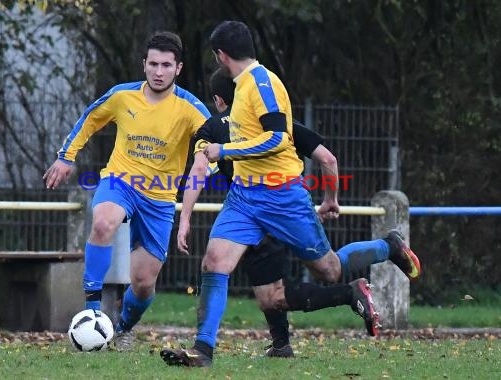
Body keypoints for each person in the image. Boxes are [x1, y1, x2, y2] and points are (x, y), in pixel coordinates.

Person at [160, 21, 420, 367]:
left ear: (221, 55)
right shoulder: (240, 89)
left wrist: (224, 152)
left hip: (283, 197)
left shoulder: (263, 82)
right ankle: (203, 351)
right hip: (243, 197)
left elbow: (278, 139)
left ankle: (389, 245)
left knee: (329, 269)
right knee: (214, 262)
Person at [175, 69, 380, 359]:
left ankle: (349, 293)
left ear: (219, 100)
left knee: (273, 293)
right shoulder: (277, 124)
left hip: (251, 212)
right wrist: (331, 199)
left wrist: (185, 218)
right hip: (282, 207)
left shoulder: (210, 129)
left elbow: (198, 171)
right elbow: (328, 158)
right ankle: (276, 346)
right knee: (290, 284)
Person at [43, 31, 211, 351]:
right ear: (143, 65)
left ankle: (122, 328)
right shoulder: (122, 96)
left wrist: (210, 164)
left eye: (166, 65)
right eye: (153, 64)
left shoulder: (191, 108)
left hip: (160, 197)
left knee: (144, 283)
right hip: (120, 180)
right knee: (104, 222)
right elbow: (90, 119)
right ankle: (92, 307)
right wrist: (66, 157)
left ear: (178, 68)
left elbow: (214, 147)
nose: (158, 72)